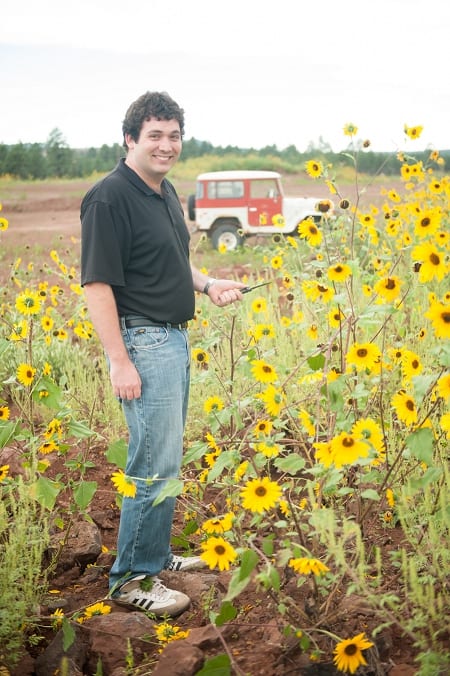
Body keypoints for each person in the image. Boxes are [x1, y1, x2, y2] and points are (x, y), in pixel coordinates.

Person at [80, 91, 245, 617]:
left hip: (171, 339)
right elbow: (98, 285)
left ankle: (155, 554)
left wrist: (209, 283)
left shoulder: (164, 192)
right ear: (129, 139)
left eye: (173, 135)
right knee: (151, 462)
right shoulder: (110, 197)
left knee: (167, 459)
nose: (166, 144)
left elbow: (174, 263)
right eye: (154, 135)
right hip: (143, 344)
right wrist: (118, 359)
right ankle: (131, 578)